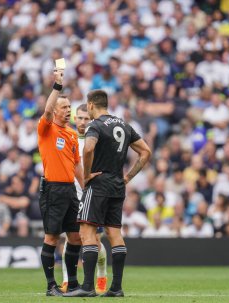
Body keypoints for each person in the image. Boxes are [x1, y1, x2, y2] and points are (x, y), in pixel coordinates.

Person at [65, 89, 151, 297]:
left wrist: (86, 176)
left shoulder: (95, 125)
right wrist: (128, 177)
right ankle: (116, 288)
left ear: (92, 105)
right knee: (114, 234)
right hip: (117, 186)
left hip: (98, 185)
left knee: (87, 232)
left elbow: (88, 149)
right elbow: (145, 152)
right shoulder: (123, 124)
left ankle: (87, 287)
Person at [37, 69, 84, 296]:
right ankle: (50, 285)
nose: (68, 110)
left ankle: (72, 283)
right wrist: (57, 86)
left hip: (69, 191)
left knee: (75, 236)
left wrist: (86, 188)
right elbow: (46, 110)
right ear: (55, 110)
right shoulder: (46, 129)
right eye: (64, 107)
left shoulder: (73, 134)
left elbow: (77, 166)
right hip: (52, 189)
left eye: (68, 107)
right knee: (52, 237)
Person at [60, 104, 108, 294]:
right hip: (72, 195)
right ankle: (66, 280)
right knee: (71, 238)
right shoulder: (68, 136)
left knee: (94, 240)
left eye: (86, 118)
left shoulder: (97, 138)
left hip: (92, 194)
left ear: (92, 119)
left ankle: (102, 274)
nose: (82, 122)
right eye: (79, 118)